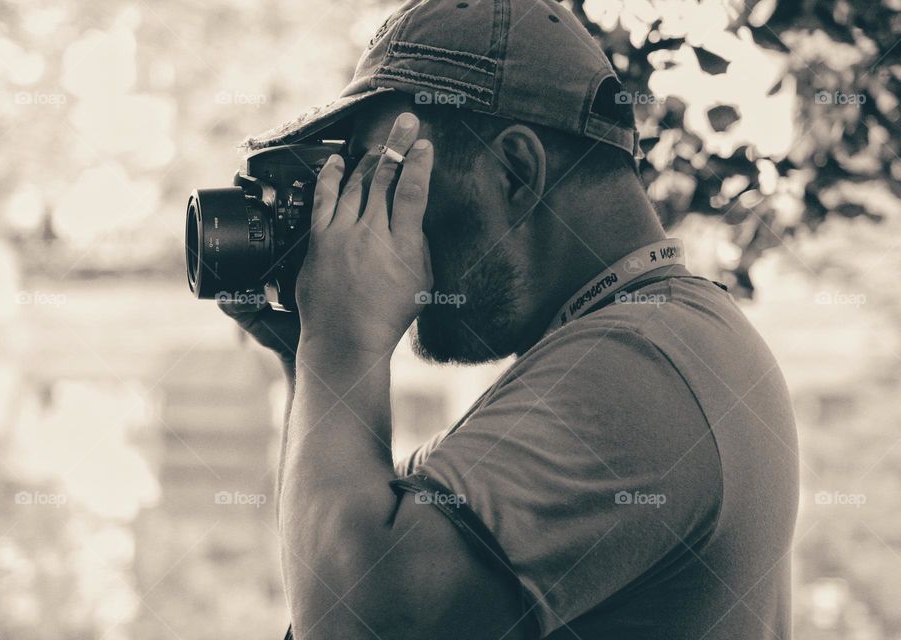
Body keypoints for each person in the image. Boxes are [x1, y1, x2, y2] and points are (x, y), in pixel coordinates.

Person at [220, 1, 800, 638]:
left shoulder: (641, 362)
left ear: (516, 171)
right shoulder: (652, 339)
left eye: (394, 186)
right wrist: (308, 355)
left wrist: (342, 346)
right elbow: (332, 574)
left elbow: (357, 620)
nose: (377, 229)